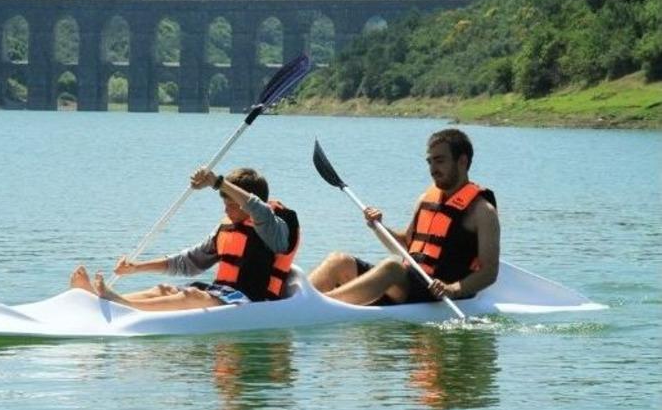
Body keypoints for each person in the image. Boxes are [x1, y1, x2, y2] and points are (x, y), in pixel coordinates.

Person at [308, 128, 500, 306]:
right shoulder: (426, 199)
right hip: (409, 283)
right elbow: (407, 246)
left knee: (392, 266)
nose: (433, 168)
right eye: (430, 161)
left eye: (440, 160)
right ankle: (293, 301)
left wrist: (453, 289)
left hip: (438, 292)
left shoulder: (483, 212)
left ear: (462, 162)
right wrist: (378, 226)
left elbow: (489, 272)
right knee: (339, 260)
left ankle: (317, 305)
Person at [69, 167, 300, 311]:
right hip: (223, 294)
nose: (227, 210)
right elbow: (188, 262)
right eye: (224, 203)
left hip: (254, 303)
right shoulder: (228, 228)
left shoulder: (276, 228)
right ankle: (100, 301)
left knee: (192, 296)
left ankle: (125, 305)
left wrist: (218, 182)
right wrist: (137, 268)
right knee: (163, 290)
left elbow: (259, 211)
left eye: (232, 204)